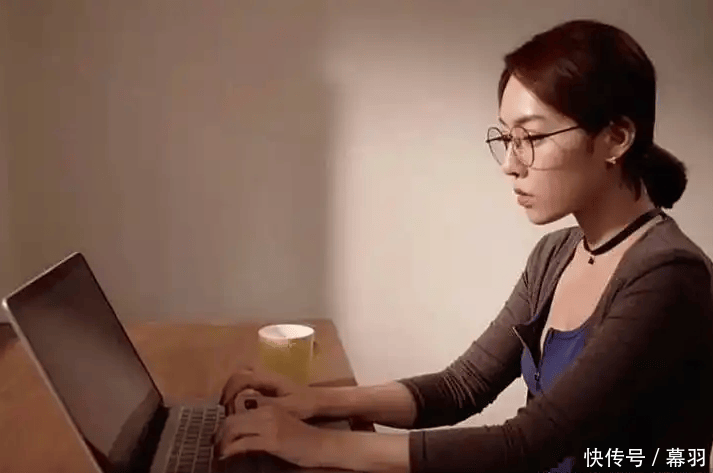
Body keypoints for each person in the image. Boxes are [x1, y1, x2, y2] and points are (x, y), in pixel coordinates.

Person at [213, 19, 713, 473]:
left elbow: (528, 445)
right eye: (508, 138)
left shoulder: (667, 276)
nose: (510, 164)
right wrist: (315, 401)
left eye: (531, 138)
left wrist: (316, 445)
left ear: (616, 138)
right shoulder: (556, 254)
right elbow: (462, 386)